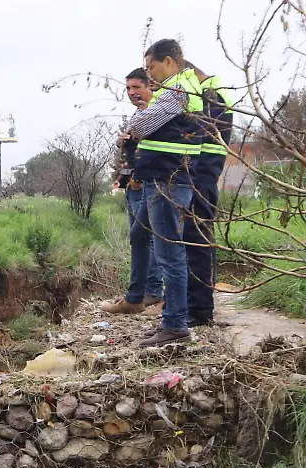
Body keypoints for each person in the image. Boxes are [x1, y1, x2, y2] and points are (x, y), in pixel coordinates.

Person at [124, 38, 204, 347]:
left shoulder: (177, 90)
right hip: (165, 179)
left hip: (169, 181)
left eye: (151, 67)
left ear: (168, 61)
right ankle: (166, 314)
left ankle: (175, 325)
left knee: (170, 255)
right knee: (155, 244)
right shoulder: (176, 88)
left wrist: (136, 123)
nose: (149, 75)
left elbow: (141, 126)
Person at [101, 68, 164, 315]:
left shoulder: (157, 115)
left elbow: (152, 151)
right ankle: (143, 293)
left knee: (147, 239)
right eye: (128, 88)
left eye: (136, 87)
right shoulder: (139, 115)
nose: (131, 93)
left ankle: (149, 293)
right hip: (132, 185)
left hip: (148, 184)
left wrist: (138, 176)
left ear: (151, 86)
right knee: (140, 238)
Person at [184, 62, 235, 327]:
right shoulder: (212, 91)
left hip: (200, 176)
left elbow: (197, 138)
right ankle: (199, 307)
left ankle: (199, 311)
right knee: (200, 240)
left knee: (197, 241)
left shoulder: (208, 95)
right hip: (204, 175)